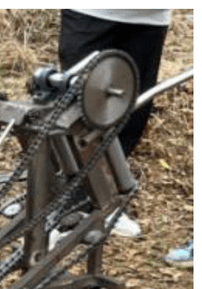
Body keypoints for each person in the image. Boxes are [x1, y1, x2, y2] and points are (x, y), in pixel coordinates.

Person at [58, 9, 171, 239]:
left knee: (131, 113)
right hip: (92, 12)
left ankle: (106, 202)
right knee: (77, 111)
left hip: (150, 18)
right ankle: (67, 207)